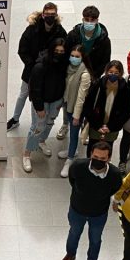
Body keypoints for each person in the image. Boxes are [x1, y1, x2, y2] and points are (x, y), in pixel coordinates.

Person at [60, 141, 122, 260]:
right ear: (90, 154)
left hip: (99, 213)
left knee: (95, 239)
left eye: (102, 159)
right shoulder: (78, 166)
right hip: (77, 209)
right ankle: (70, 255)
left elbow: (114, 189)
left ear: (109, 158)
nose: (98, 161)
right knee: (74, 233)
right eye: (95, 157)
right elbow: (73, 181)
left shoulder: (115, 174)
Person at [7, 2, 66, 131]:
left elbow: (63, 49)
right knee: (23, 94)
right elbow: (22, 50)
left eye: (53, 14)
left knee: (40, 95)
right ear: (43, 14)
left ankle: (39, 126)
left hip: (50, 73)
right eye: (47, 14)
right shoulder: (32, 29)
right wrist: (33, 65)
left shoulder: (60, 31)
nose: (50, 16)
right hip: (31, 69)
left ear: (56, 15)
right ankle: (15, 119)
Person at [22, 39, 68, 173]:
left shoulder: (64, 65)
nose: (59, 54)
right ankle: (27, 154)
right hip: (41, 102)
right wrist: (39, 107)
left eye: (62, 52)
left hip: (56, 101)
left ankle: (42, 141)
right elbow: (34, 88)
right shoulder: (40, 66)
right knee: (37, 127)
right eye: (56, 51)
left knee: (49, 124)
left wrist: (60, 102)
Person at [81, 60, 130, 154]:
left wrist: (111, 127)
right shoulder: (98, 85)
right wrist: (97, 125)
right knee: (91, 149)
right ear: (106, 72)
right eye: (111, 72)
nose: (113, 75)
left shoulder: (124, 89)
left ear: (121, 73)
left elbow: (127, 111)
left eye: (116, 73)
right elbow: (87, 106)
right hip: (96, 126)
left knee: (107, 149)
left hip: (112, 128)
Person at [57, 46, 88, 177]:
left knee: (74, 133)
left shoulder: (84, 74)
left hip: (76, 109)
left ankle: (69, 159)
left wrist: (77, 116)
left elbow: (81, 98)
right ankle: (72, 150)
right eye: (72, 55)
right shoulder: (68, 69)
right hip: (67, 104)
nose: (74, 59)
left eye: (77, 56)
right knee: (71, 130)